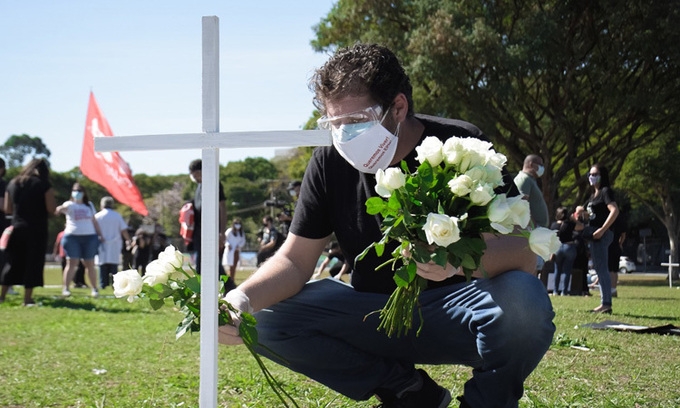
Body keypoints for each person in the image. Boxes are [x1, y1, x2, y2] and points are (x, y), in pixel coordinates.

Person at [218, 43, 555, 408]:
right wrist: (242, 298)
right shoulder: (328, 162)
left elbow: (523, 254)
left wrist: (457, 262)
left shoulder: (461, 147)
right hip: (371, 314)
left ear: (398, 107)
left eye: (357, 120)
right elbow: (296, 260)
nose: (344, 135)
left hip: (456, 313)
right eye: (335, 123)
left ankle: (485, 401)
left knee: (524, 301)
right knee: (263, 316)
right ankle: (408, 391)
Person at [0, 159, 56, 305]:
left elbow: (7, 209)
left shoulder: (13, 183)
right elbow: (51, 208)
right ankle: (27, 299)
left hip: (17, 227)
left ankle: (2, 296)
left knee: (12, 263)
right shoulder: (43, 184)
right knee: (33, 263)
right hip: (36, 229)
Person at [188, 159, 235, 292]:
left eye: (196, 174)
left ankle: (229, 289)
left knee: (213, 264)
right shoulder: (198, 187)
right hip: (198, 232)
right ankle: (203, 291)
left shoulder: (214, 183)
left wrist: (221, 232)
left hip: (211, 231)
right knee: (201, 265)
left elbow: (222, 207)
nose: (195, 178)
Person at [55, 182, 104, 298]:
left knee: (89, 263)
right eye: (75, 190)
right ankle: (66, 288)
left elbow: (94, 221)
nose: (77, 193)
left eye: (79, 191)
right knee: (72, 263)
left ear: (84, 193)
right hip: (72, 237)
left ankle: (94, 289)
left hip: (89, 237)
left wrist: (100, 234)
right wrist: (59, 209)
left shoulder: (89, 205)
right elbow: (61, 208)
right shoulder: (69, 204)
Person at [584, 163, 619, 314]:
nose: (592, 177)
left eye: (595, 174)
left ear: (602, 176)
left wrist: (602, 230)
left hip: (601, 235)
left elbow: (614, 210)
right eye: (590, 174)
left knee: (602, 269)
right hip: (593, 235)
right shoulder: (593, 195)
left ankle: (606, 304)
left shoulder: (605, 191)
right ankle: (605, 302)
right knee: (599, 268)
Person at [95, 196, 131, 289]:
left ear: (102, 205)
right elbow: (123, 230)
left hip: (101, 242)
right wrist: (128, 239)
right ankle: (114, 284)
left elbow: (93, 229)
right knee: (113, 264)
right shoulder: (117, 216)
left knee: (102, 263)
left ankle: (103, 284)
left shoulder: (98, 216)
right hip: (115, 243)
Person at [550, 207, 578, 295]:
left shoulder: (553, 225)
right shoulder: (570, 224)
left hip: (557, 247)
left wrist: (551, 251)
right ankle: (564, 291)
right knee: (567, 270)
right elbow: (581, 227)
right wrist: (574, 219)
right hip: (569, 246)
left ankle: (555, 290)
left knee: (557, 270)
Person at [222, 218, 246, 284]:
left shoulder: (241, 233)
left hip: (236, 251)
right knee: (230, 266)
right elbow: (225, 239)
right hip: (230, 251)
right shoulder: (229, 231)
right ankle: (229, 280)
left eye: (239, 224)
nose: (237, 225)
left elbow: (243, 241)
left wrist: (239, 246)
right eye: (236, 224)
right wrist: (228, 244)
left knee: (234, 267)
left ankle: (232, 279)